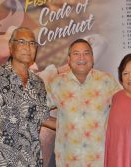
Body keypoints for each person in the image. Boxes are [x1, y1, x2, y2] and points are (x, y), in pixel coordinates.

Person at [0, 27, 56, 167]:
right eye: (21, 42)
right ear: (11, 46)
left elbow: (42, 116)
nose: (27, 47)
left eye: (32, 43)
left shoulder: (38, 83)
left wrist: (72, 123)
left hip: (32, 160)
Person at [46, 38, 120, 167]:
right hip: (68, 159)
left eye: (86, 53)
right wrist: (60, 124)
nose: (82, 57)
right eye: (76, 54)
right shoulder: (57, 83)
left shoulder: (106, 81)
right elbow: (36, 111)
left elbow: (125, 107)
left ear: (92, 58)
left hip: (100, 160)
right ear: (68, 59)